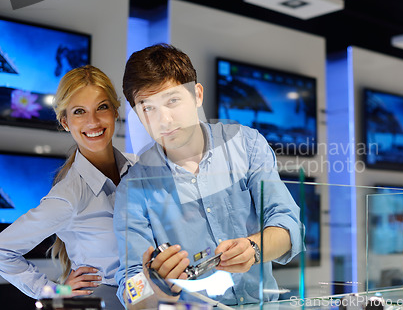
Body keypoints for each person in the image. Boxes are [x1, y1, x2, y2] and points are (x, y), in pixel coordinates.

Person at [114, 43, 303, 307]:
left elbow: (288, 225)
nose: (164, 120)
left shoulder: (246, 145)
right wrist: (151, 284)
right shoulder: (133, 188)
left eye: (173, 101)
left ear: (197, 95)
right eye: (148, 108)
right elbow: (128, 285)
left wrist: (254, 248)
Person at [0, 65, 135, 309]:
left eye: (102, 107)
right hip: (100, 302)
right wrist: (53, 291)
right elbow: (2, 250)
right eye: (79, 111)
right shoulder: (69, 195)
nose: (92, 121)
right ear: (65, 122)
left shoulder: (139, 169)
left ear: (115, 111)